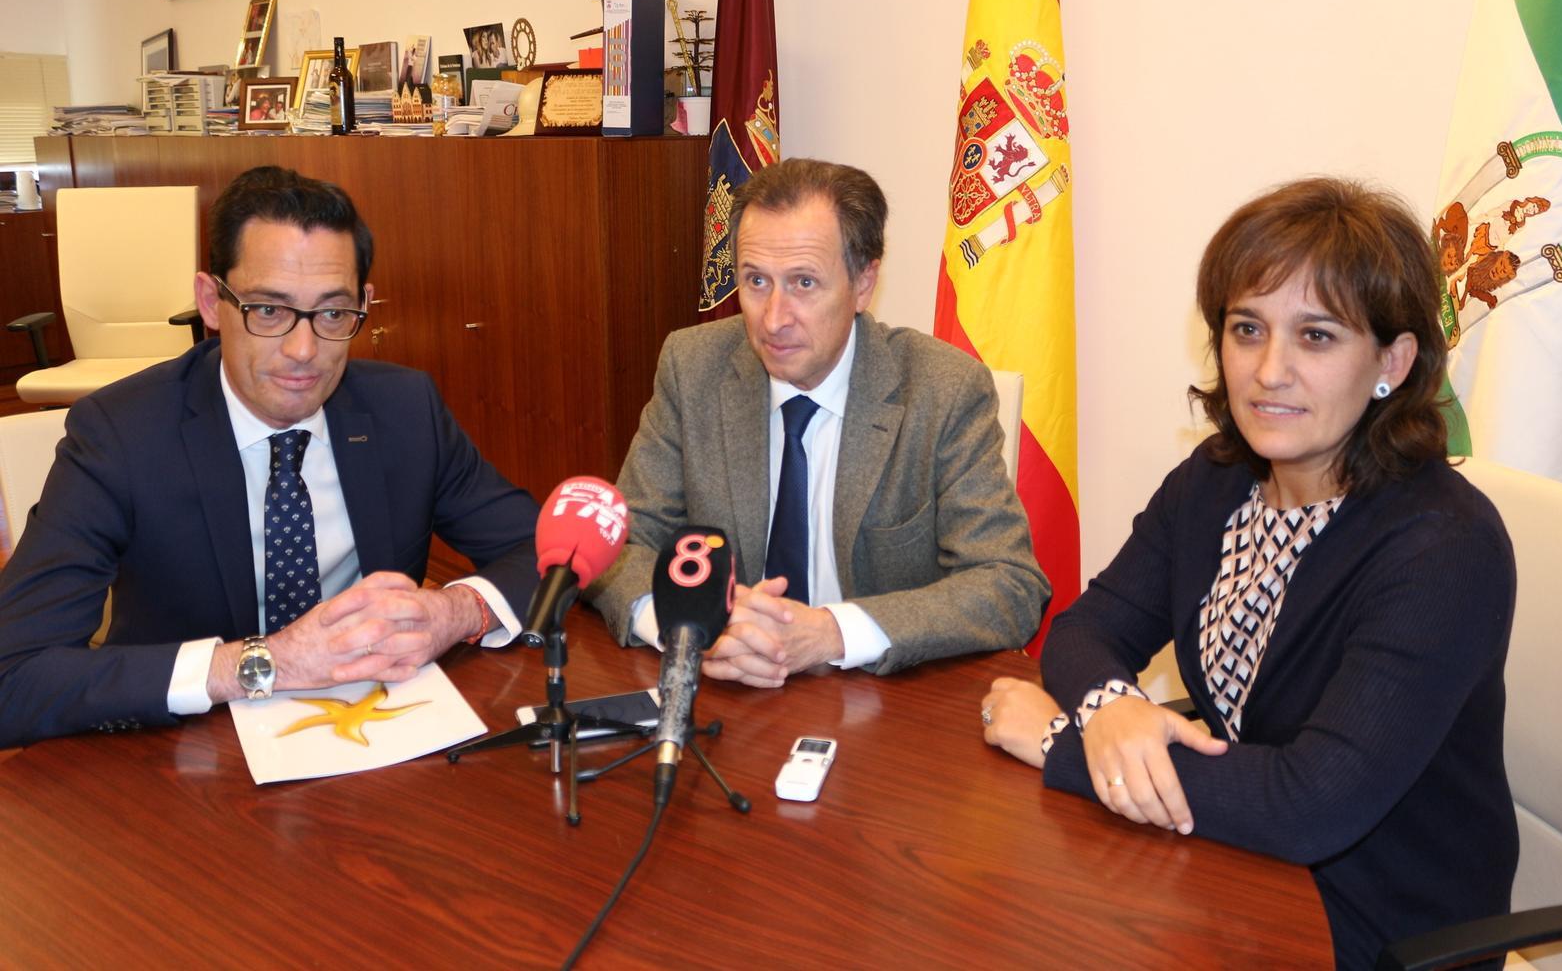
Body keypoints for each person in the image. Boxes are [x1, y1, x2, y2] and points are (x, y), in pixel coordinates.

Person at [979, 177, 1517, 968]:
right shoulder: (1217, 480)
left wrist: (1066, 744)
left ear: (1393, 361)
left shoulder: (1444, 548)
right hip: (1232, 860)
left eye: (1316, 336)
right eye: (1247, 329)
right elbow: (1087, 629)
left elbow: (1311, 804)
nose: (1269, 371)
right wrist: (1110, 707)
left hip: (1375, 922)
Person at [0, 166, 541, 747]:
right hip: (184, 752)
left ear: (364, 304)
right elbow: (14, 678)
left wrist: (459, 611)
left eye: (332, 313)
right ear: (211, 302)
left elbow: (545, 550)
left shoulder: (405, 410)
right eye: (268, 310)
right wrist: (265, 664)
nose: (304, 351)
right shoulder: (121, 434)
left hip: (376, 732)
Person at [587, 158, 1049, 685]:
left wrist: (833, 632)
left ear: (863, 283)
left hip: (879, 700)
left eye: (804, 283)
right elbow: (618, 547)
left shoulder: (943, 390)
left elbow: (1008, 583)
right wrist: (689, 628)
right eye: (756, 281)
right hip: (729, 689)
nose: (773, 318)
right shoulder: (693, 367)